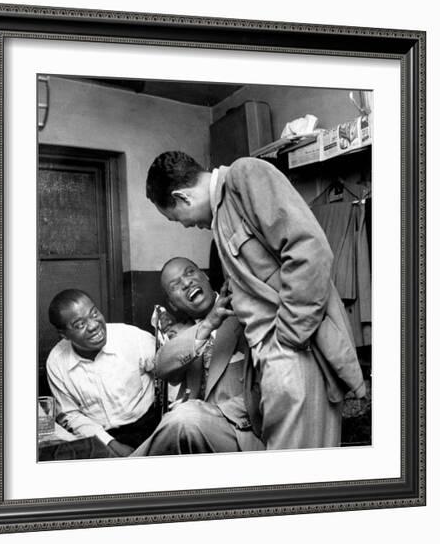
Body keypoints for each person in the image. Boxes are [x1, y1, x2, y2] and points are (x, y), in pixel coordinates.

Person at [145, 152, 366, 450]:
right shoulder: (221, 221)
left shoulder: (244, 176)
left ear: (182, 197)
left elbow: (309, 250)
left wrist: (287, 340)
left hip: (294, 349)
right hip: (274, 364)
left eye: (175, 218)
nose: (183, 225)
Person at [132, 257, 264, 456]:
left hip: (243, 432)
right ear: (172, 304)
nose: (186, 283)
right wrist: (207, 325)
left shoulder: (244, 312)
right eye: (175, 285)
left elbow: (270, 386)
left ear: (206, 276)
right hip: (195, 432)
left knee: (184, 417)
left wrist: (207, 412)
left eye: (190, 272)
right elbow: (162, 367)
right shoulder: (185, 332)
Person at [46, 289, 158, 457]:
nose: (93, 325)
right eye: (80, 325)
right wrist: (111, 443)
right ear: (64, 335)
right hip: (100, 436)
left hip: (150, 424)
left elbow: (166, 371)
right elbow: (71, 415)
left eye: (94, 313)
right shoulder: (57, 362)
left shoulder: (132, 337)